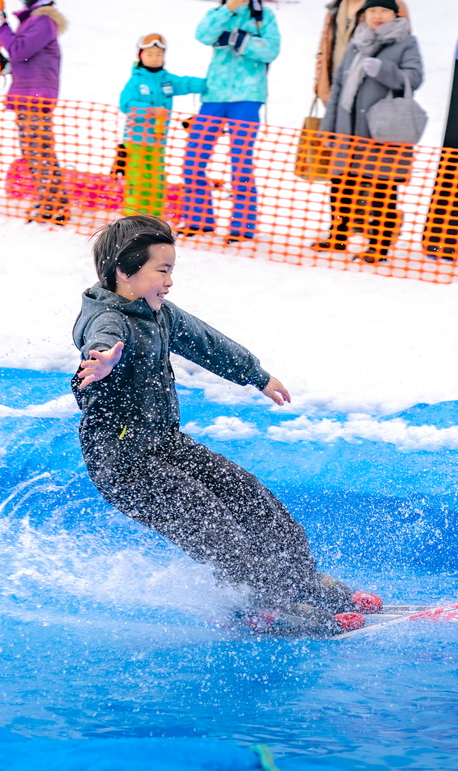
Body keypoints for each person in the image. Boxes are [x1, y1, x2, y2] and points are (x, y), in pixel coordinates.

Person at [71, 215, 383, 635]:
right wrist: (104, 362)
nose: (170, 280)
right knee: (218, 529)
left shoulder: (157, 312)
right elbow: (98, 350)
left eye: (171, 270)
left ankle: (299, 584)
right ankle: (266, 605)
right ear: (125, 272)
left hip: (163, 444)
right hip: (124, 465)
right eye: (162, 270)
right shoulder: (108, 322)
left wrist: (255, 375)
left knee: (256, 503)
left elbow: (206, 342)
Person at [178, 0, 280, 243]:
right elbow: (202, 34)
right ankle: (199, 219)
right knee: (195, 157)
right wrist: (228, 9)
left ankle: (243, 225)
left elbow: (271, 49)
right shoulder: (220, 11)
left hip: (248, 96)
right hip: (215, 94)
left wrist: (239, 39)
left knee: (240, 159)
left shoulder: (264, 16)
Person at [318, 0, 423, 262]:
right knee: (341, 187)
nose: (377, 15)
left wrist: (385, 70)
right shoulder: (357, 42)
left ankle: (379, 246)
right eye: (372, 10)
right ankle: (338, 237)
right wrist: (328, 128)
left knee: (382, 191)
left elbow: (415, 78)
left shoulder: (405, 42)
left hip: (382, 133)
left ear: (394, 14)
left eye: (383, 10)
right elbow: (339, 85)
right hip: (347, 128)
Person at [0, 0, 70, 224]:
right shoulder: (32, 20)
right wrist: (5, 65)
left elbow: (21, 49)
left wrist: (2, 27)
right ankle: (47, 198)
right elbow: (25, 58)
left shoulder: (43, 20)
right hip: (27, 92)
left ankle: (55, 202)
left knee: (39, 148)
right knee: (31, 149)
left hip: (36, 95)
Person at [117, 34, 206, 217]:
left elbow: (186, 83)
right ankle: (132, 216)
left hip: (157, 141)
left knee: (156, 180)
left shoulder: (167, 80)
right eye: (150, 54)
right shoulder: (136, 80)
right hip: (136, 141)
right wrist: (149, 110)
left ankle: (153, 216)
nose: (155, 58)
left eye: (159, 54)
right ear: (141, 55)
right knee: (137, 179)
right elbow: (125, 104)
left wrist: (211, 83)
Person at [314, 0, 409, 105]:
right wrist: (321, 89)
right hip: (337, 96)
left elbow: (403, 51)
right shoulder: (334, 9)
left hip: (374, 99)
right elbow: (323, 53)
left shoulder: (391, 6)